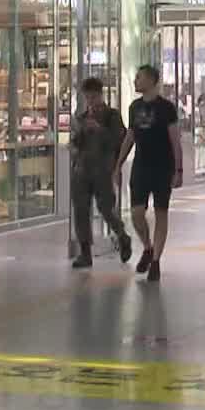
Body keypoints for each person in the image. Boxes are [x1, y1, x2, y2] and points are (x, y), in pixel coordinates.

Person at [114, 65, 182, 283]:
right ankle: (147, 247)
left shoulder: (167, 108)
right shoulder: (134, 107)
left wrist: (178, 170)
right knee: (136, 213)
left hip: (163, 167)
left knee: (161, 213)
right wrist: (118, 164)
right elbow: (130, 137)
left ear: (152, 80)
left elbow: (175, 141)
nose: (135, 81)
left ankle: (156, 261)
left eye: (139, 77)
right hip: (141, 166)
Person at [68, 77, 131, 268]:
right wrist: (73, 145)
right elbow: (75, 143)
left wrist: (100, 130)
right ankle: (85, 253)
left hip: (103, 169)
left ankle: (121, 234)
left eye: (94, 97)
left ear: (101, 95)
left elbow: (119, 140)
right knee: (80, 211)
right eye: (88, 98)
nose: (91, 102)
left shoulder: (112, 116)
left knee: (105, 208)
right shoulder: (80, 118)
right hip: (81, 170)